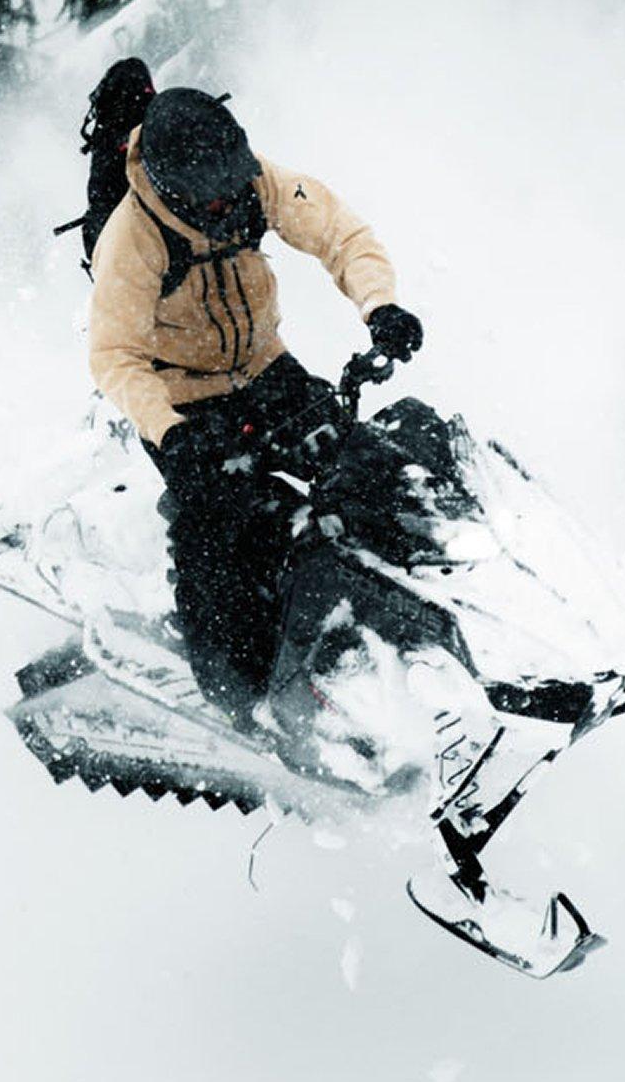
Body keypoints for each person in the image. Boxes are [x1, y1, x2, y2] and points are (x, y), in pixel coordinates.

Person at [84, 86, 429, 726]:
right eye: (212, 195)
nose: (228, 202)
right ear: (175, 187)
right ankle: (246, 699)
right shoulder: (132, 237)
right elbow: (114, 356)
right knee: (228, 538)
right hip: (188, 406)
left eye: (233, 183)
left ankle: (406, 633)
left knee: (373, 476)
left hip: (268, 373)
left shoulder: (255, 183)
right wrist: (169, 432)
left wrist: (379, 304)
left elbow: (340, 233)